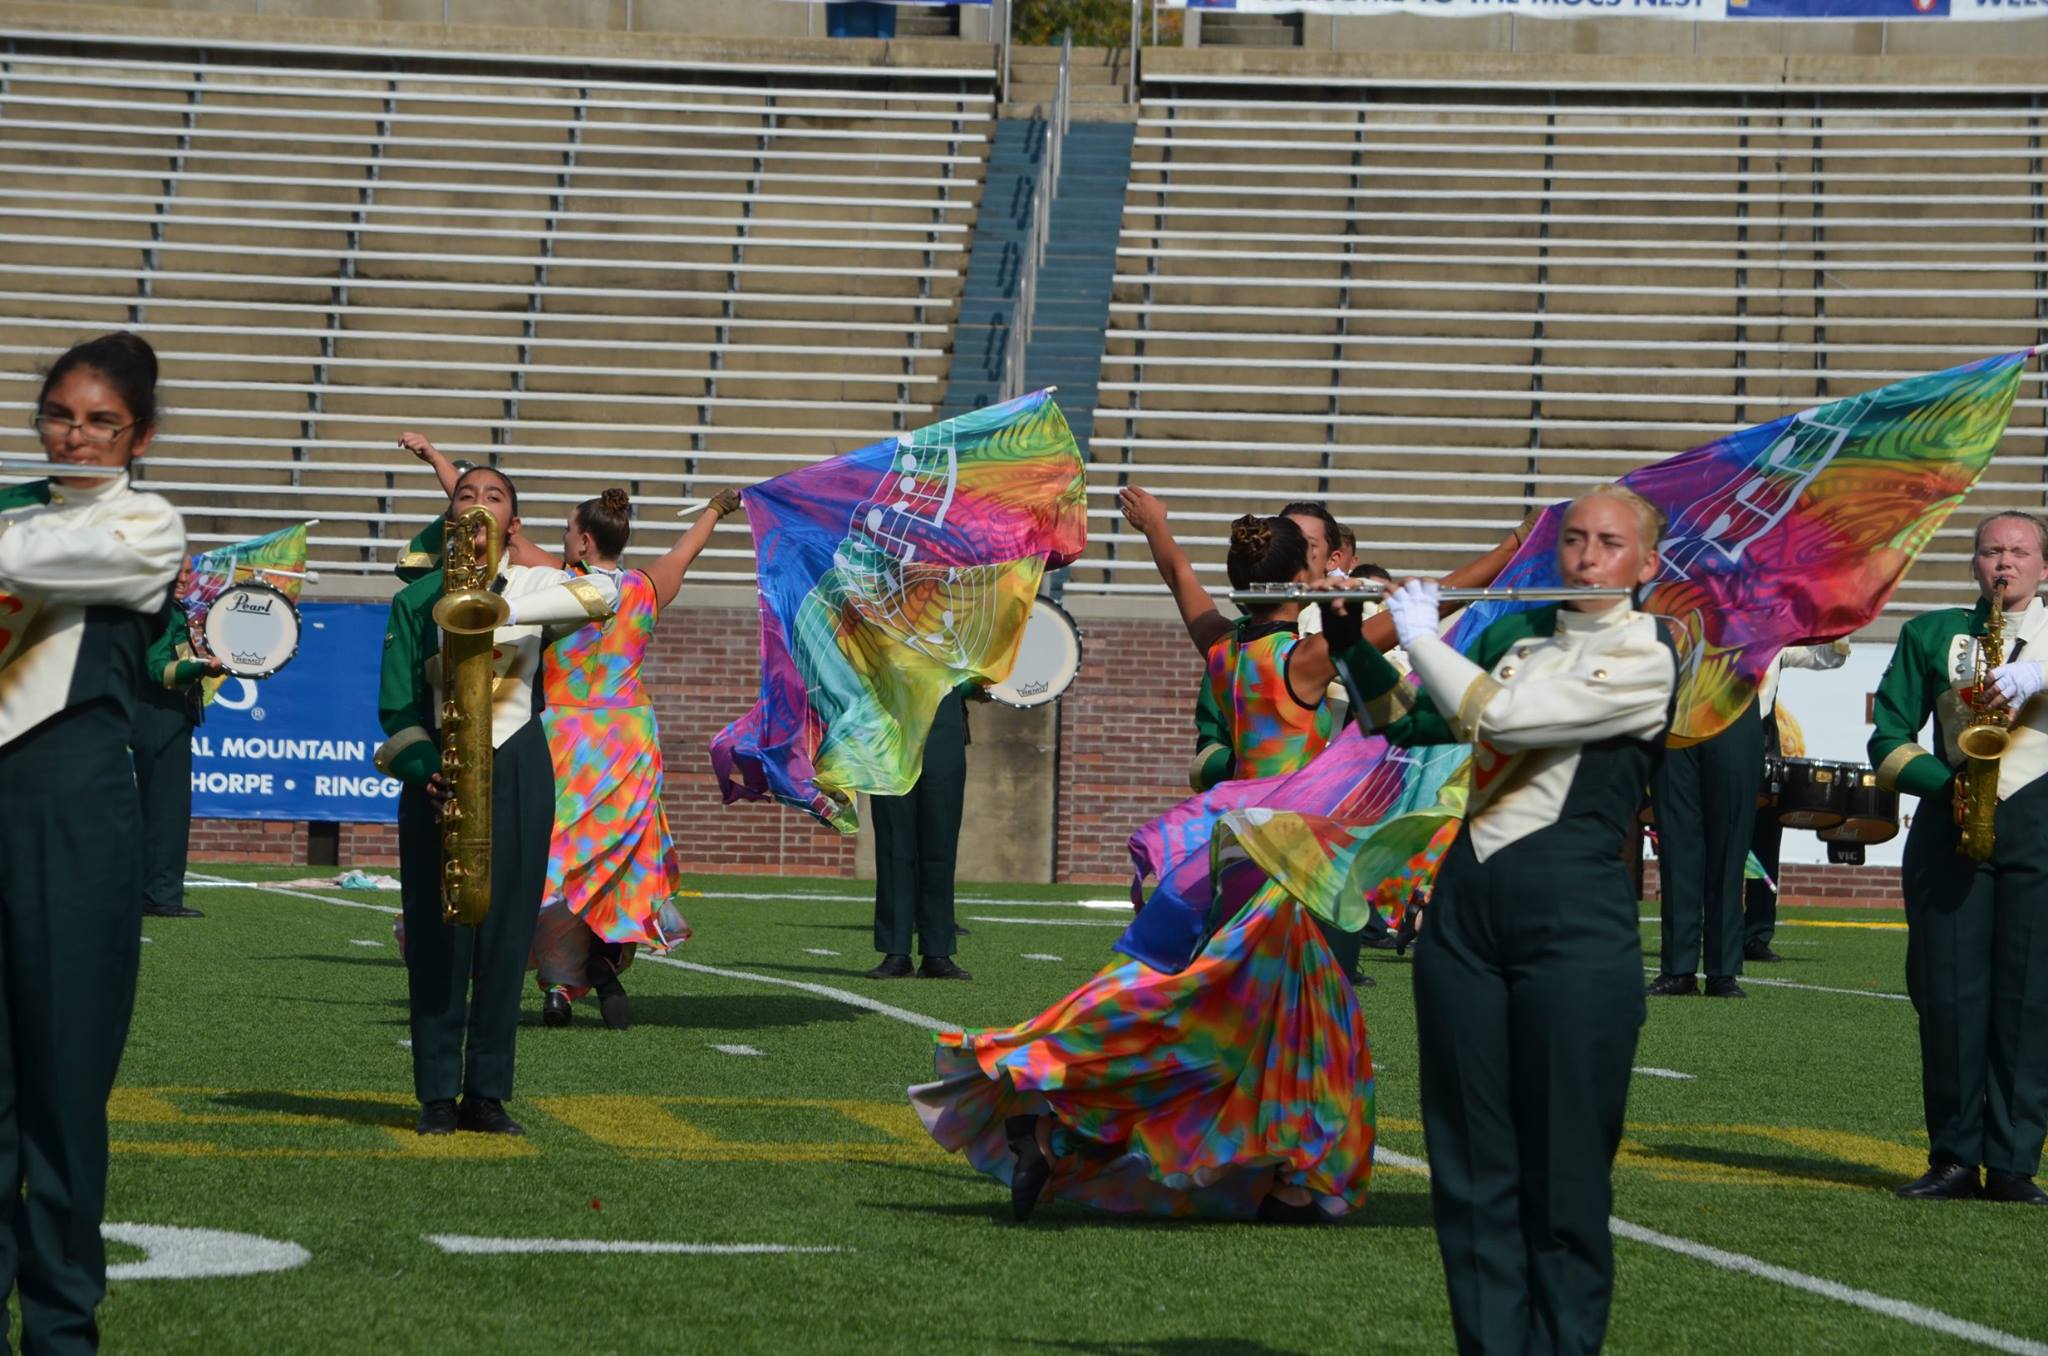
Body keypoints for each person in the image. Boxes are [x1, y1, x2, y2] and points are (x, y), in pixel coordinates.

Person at [912, 513, 1374, 1224]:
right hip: (1280, 868)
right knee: (1281, 1027)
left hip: (1231, 857)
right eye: (1313, 562)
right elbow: (1396, 637)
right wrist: (1506, 556)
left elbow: (1179, 576)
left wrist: (1157, 526)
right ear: (1297, 580)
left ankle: (1272, 1172)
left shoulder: (1222, 646)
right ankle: (1294, 1177)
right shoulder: (1305, 658)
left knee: (1258, 1024)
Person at [1344, 485, 1676, 1352]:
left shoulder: (1650, 653)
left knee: (1564, 1174)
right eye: (1574, 538)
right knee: (1470, 1169)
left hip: (1574, 920)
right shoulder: (1520, 642)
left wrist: (1422, 634)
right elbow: (1407, 721)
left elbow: (1507, 718)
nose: (1587, 557)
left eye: (1609, 543)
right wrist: (1353, 638)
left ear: (1646, 563)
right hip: (1466, 913)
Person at [0, 331, 185, 1351]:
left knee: (66, 1094)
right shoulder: (11, 510)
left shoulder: (147, 525)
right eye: (60, 416)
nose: (75, 436)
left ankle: (62, 1331)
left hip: (77, 811)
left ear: (139, 436)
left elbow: (45, 559)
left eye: (101, 422)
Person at [373, 465, 618, 1136]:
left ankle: (487, 1093)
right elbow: (396, 710)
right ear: (451, 519)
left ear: (513, 524)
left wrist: (501, 608)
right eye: (466, 495)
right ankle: (435, 1095)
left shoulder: (538, 585)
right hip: (443, 772)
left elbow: (606, 592)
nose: (478, 504)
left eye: (494, 497)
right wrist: (425, 769)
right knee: (437, 937)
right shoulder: (415, 600)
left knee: (509, 935)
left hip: (518, 766)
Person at [1870, 509, 2048, 1205]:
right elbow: (1888, 738)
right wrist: (1947, 789)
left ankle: (2013, 1163)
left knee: (2032, 997)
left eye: (2020, 552)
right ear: (1973, 564)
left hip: (2040, 820)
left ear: (2043, 567)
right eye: (1991, 551)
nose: (2004, 562)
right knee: (1947, 994)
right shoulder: (1931, 633)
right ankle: (1953, 1156)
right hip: (1953, 820)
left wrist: (2036, 676)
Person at [1645, 690, 1762, 999]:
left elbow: (1827, 660)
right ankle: (1677, 969)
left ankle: (1723, 971)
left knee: (1729, 846)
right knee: (1676, 843)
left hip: (1733, 703)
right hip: (1676, 705)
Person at [132, 556, 228, 920]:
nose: (185, 578)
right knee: (167, 810)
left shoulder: (162, 610)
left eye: (189, 572)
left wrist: (200, 664)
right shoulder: (160, 612)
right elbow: (160, 670)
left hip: (160, 718)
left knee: (160, 807)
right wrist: (202, 666)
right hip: (161, 718)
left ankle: (151, 889)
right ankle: (159, 894)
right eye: (178, 571)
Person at [1743, 640, 1851, 962]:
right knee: (1718, 845)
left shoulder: (1775, 639)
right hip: (1716, 741)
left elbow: (1827, 657)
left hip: (1762, 748)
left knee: (1764, 842)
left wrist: (1842, 625)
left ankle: (1756, 936)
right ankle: (1712, 933)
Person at [866, 683, 975, 980]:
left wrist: (979, 681)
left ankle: (937, 953)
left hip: (943, 725)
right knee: (893, 844)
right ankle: (896, 952)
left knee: (941, 843)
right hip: (891, 725)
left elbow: (973, 676)